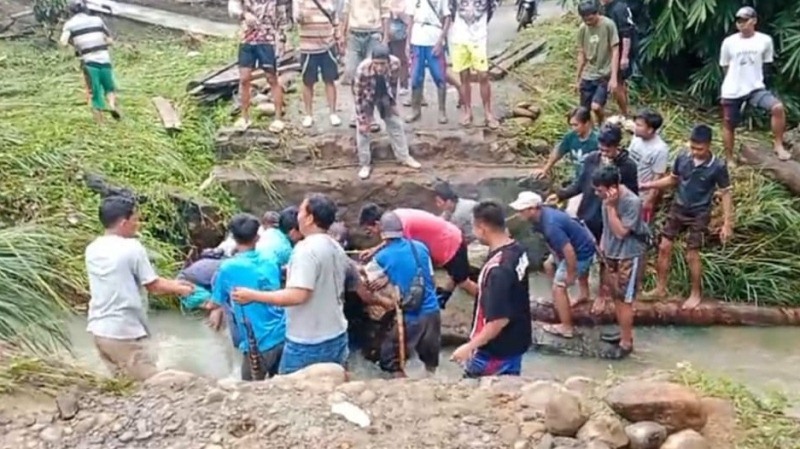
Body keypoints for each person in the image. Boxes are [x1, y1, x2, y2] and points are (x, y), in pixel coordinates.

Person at [232, 194, 356, 374]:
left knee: (291, 392)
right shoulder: (334, 245)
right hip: (337, 333)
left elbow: (298, 295)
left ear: (310, 218)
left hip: (308, 340)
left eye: (301, 211)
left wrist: (252, 295)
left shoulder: (305, 250)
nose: (297, 215)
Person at [85, 196, 194, 381]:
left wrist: (174, 284)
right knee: (153, 382)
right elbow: (153, 285)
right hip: (123, 331)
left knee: (124, 384)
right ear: (123, 222)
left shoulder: (93, 248)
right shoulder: (132, 247)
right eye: (136, 220)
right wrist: (182, 289)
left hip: (100, 330)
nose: (138, 224)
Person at [641, 125, 734, 310]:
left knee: (692, 253)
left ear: (709, 146)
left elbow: (726, 193)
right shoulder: (683, 157)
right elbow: (673, 179)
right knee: (664, 246)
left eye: (699, 149)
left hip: (700, 212)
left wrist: (727, 223)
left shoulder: (718, 166)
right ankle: (660, 288)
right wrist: (649, 185)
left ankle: (695, 293)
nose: (695, 152)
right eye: (692, 147)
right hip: (679, 207)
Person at [450, 201, 531, 376]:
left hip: (495, 350)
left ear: (482, 228)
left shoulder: (497, 270)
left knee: (472, 394)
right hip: (517, 340)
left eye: (474, 227)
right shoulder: (517, 249)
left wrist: (469, 347)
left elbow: (499, 320)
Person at [206, 214, 286, 381]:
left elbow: (215, 302)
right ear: (257, 236)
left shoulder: (228, 268)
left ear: (233, 238)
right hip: (283, 333)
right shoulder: (271, 259)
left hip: (258, 342)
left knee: (249, 389)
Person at [509, 192, 595, 339]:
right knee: (548, 265)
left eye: (521, 210)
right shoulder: (542, 215)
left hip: (580, 253)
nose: (518, 213)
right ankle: (581, 295)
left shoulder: (551, 225)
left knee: (559, 286)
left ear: (533, 209)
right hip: (580, 244)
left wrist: (571, 273)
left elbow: (569, 251)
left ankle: (566, 327)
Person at [359, 204, 477, 305]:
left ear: (377, 223)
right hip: (448, 235)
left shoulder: (401, 226)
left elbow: (403, 258)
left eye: (370, 230)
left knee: (463, 281)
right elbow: (391, 240)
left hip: (450, 243)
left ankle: (486, 301)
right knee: (454, 274)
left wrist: (385, 277)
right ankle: (443, 297)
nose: (372, 234)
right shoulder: (395, 218)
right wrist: (374, 249)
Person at [371, 213, 441, 377]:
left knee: (389, 358)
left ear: (383, 234)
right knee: (430, 360)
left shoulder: (381, 257)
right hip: (433, 313)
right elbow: (431, 278)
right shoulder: (420, 247)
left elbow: (369, 282)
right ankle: (431, 385)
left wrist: (384, 293)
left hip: (411, 317)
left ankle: (401, 384)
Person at [719, 6, 789, 162]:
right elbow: (725, 66)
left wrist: (755, 79)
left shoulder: (765, 40)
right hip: (732, 89)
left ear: (754, 21)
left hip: (755, 87)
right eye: (738, 21)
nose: (741, 24)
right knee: (729, 124)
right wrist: (733, 81)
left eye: (745, 20)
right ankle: (729, 158)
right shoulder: (729, 42)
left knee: (777, 108)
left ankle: (778, 145)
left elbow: (766, 63)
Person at [591, 165, 648, 353]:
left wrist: (611, 209)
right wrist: (602, 249)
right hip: (612, 253)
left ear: (612, 188)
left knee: (625, 299)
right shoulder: (606, 200)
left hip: (629, 255)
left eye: (599, 190)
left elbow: (621, 232)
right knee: (616, 295)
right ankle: (624, 334)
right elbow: (607, 230)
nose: (596, 193)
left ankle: (627, 342)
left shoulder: (632, 202)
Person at [553, 124, 638, 244]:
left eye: (607, 150)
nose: (603, 153)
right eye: (601, 149)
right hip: (586, 214)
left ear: (616, 146)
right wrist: (561, 195)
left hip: (609, 221)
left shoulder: (628, 167)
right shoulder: (592, 159)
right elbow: (580, 184)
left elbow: (631, 197)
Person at [353, 44, 423, 179]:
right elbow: (358, 96)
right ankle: (365, 164)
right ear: (372, 61)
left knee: (395, 123)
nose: (380, 67)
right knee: (363, 130)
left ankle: (404, 157)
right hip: (366, 94)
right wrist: (363, 118)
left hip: (384, 92)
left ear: (388, 62)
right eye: (377, 63)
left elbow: (392, 83)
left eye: (383, 64)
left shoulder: (395, 64)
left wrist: (392, 104)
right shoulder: (362, 69)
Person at [228, 0, 290, 132]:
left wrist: (282, 39)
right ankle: (244, 117)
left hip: (268, 40)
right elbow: (232, 8)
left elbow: (282, 16)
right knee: (244, 79)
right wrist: (244, 14)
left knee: (271, 78)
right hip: (247, 39)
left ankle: (278, 118)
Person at [59, 0, 121, 123]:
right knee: (109, 87)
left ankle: (100, 123)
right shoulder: (97, 20)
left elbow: (63, 42)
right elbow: (109, 41)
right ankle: (112, 105)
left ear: (71, 11)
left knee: (95, 91)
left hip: (89, 61)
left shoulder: (70, 24)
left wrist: (75, 44)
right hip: (104, 58)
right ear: (85, 9)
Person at [532, 106, 598, 218]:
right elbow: (559, 152)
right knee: (572, 212)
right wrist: (546, 169)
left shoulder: (596, 140)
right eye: (571, 125)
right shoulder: (571, 137)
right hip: (577, 183)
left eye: (576, 125)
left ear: (586, 123)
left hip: (594, 184)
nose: (573, 128)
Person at [341, 0, 391, 129]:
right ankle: (356, 112)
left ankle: (370, 115)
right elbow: (346, 10)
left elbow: (385, 12)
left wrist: (385, 37)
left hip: (373, 33)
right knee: (353, 73)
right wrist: (342, 34)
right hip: (354, 34)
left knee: (371, 75)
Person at [449, 0, 498, 128]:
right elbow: (452, 9)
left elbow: (492, 9)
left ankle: (488, 113)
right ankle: (467, 112)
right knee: (464, 76)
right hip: (460, 38)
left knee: (483, 75)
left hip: (479, 37)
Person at [293, 0, 343, 128]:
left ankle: (333, 113)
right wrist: (300, 13)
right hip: (308, 48)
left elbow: (335, 19)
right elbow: (296, 18)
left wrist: (339, 37)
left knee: (330, 80)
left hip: (328, 45)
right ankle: (308, 115)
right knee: (308, 82)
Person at [404, 0, 451, 124]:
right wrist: (408, 43)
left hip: (434, 38)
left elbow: (447, 19)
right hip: (417, 39)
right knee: (415, 77)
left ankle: (442, 110)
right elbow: (410, 20)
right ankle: (415, 109)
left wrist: (440, 40)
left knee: (439, 76)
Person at [576, 1, 619, 124]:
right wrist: (577, 78)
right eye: (585, 20)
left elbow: (615, 50)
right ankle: (591, 131)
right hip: (588, 74)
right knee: (584, 111)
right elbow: (581, 53)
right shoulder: (583, 29)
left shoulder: (608, 25)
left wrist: (614, 77)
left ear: (596, 14)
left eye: (590, 19)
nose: (588, 23)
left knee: (596, 106)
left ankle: (602, 123)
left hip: (604, 74)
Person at [628, 108, 669, 223]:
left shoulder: (660, 149)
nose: (635, 127)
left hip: (642, 195)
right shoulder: (636, 137)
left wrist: (650, 200)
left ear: (650, 129)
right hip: (627, 187)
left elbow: (658, 177)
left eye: (639, 125)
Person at [600, 0, 636, 117]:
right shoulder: (607, 7)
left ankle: (625, 113)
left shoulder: (619, 8)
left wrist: (624, 56)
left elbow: (626, 33)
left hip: (620, 49)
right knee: (619, 82)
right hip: (611, 48)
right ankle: (624, 108)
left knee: (616, 82)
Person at [387, 0, 411, 96]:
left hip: (401, 35)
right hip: (388, 35)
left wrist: (399, 13)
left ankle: (403, 84)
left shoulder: (406, 3)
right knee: (388, 60)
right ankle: (391, 84)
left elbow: (408, 20)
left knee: (401, 60)